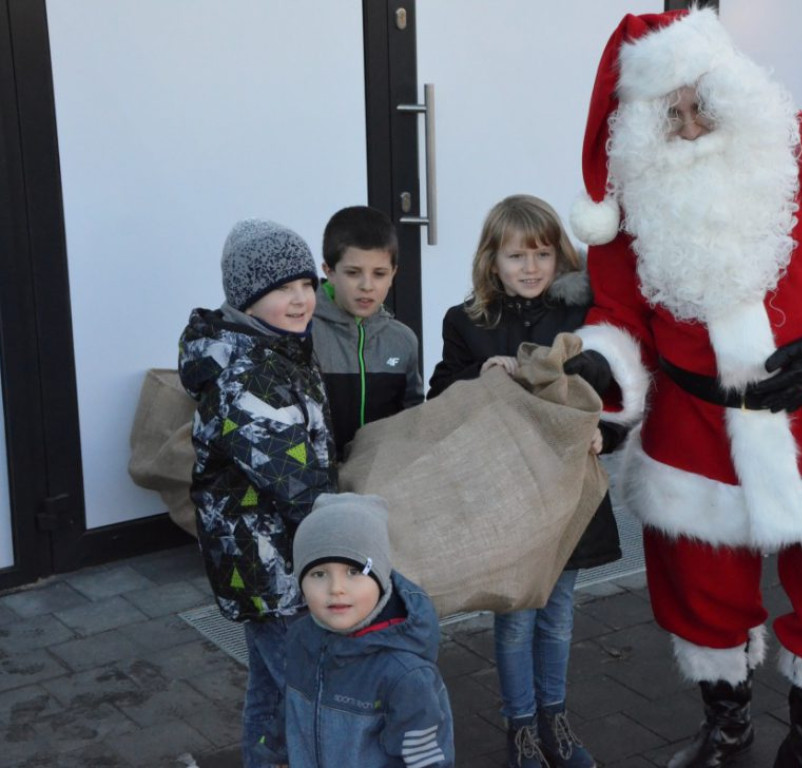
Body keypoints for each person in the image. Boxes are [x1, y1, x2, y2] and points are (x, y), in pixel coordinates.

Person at [564, 9, 802, 768]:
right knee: (700, 600)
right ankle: (728, 733)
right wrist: (604, 367)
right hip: (695, 430)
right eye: (671, 114)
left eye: (703, 104)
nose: (691, 127)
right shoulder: (638, 191)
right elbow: (618, 309)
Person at [428, 194, 624, 768]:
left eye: (541, 254)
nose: (531, 268)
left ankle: (554, 718)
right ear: (492, 261)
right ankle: (520, 725)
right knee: (515, 617)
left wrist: (606, 437)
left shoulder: (582, 318)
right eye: (516, 256)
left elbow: (616, 391)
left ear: (560, 257)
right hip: (507, 495)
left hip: (566, 489)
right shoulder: (466, 322)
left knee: (559, 613)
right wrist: (476, 374)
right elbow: (439, 395)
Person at [178, 218, 338, 768]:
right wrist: (346, 533)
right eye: (280, 289)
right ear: (246, 298)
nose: (299, 300)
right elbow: (293, 482)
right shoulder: (246, 373)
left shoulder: (278, 347)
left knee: (272, 685)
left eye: (306, 285)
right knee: (303, 689)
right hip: (267, 560)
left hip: (270, 554)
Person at [274, 492, 454, 767]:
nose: (336, 588)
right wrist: (277, 754)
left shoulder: (405, 674)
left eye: (354, 572)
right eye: (318, 574)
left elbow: (426, 759)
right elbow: (289, 713)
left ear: (381, 579)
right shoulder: (300, 638)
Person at [312, 205, 423, 454]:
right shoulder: (305, 332)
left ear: (393, 273)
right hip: (320, 476)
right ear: (329, 271)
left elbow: (413, 417)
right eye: (353, 273)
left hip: (383, 473)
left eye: (379, 274)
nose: (367, 286)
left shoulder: (403, 340)